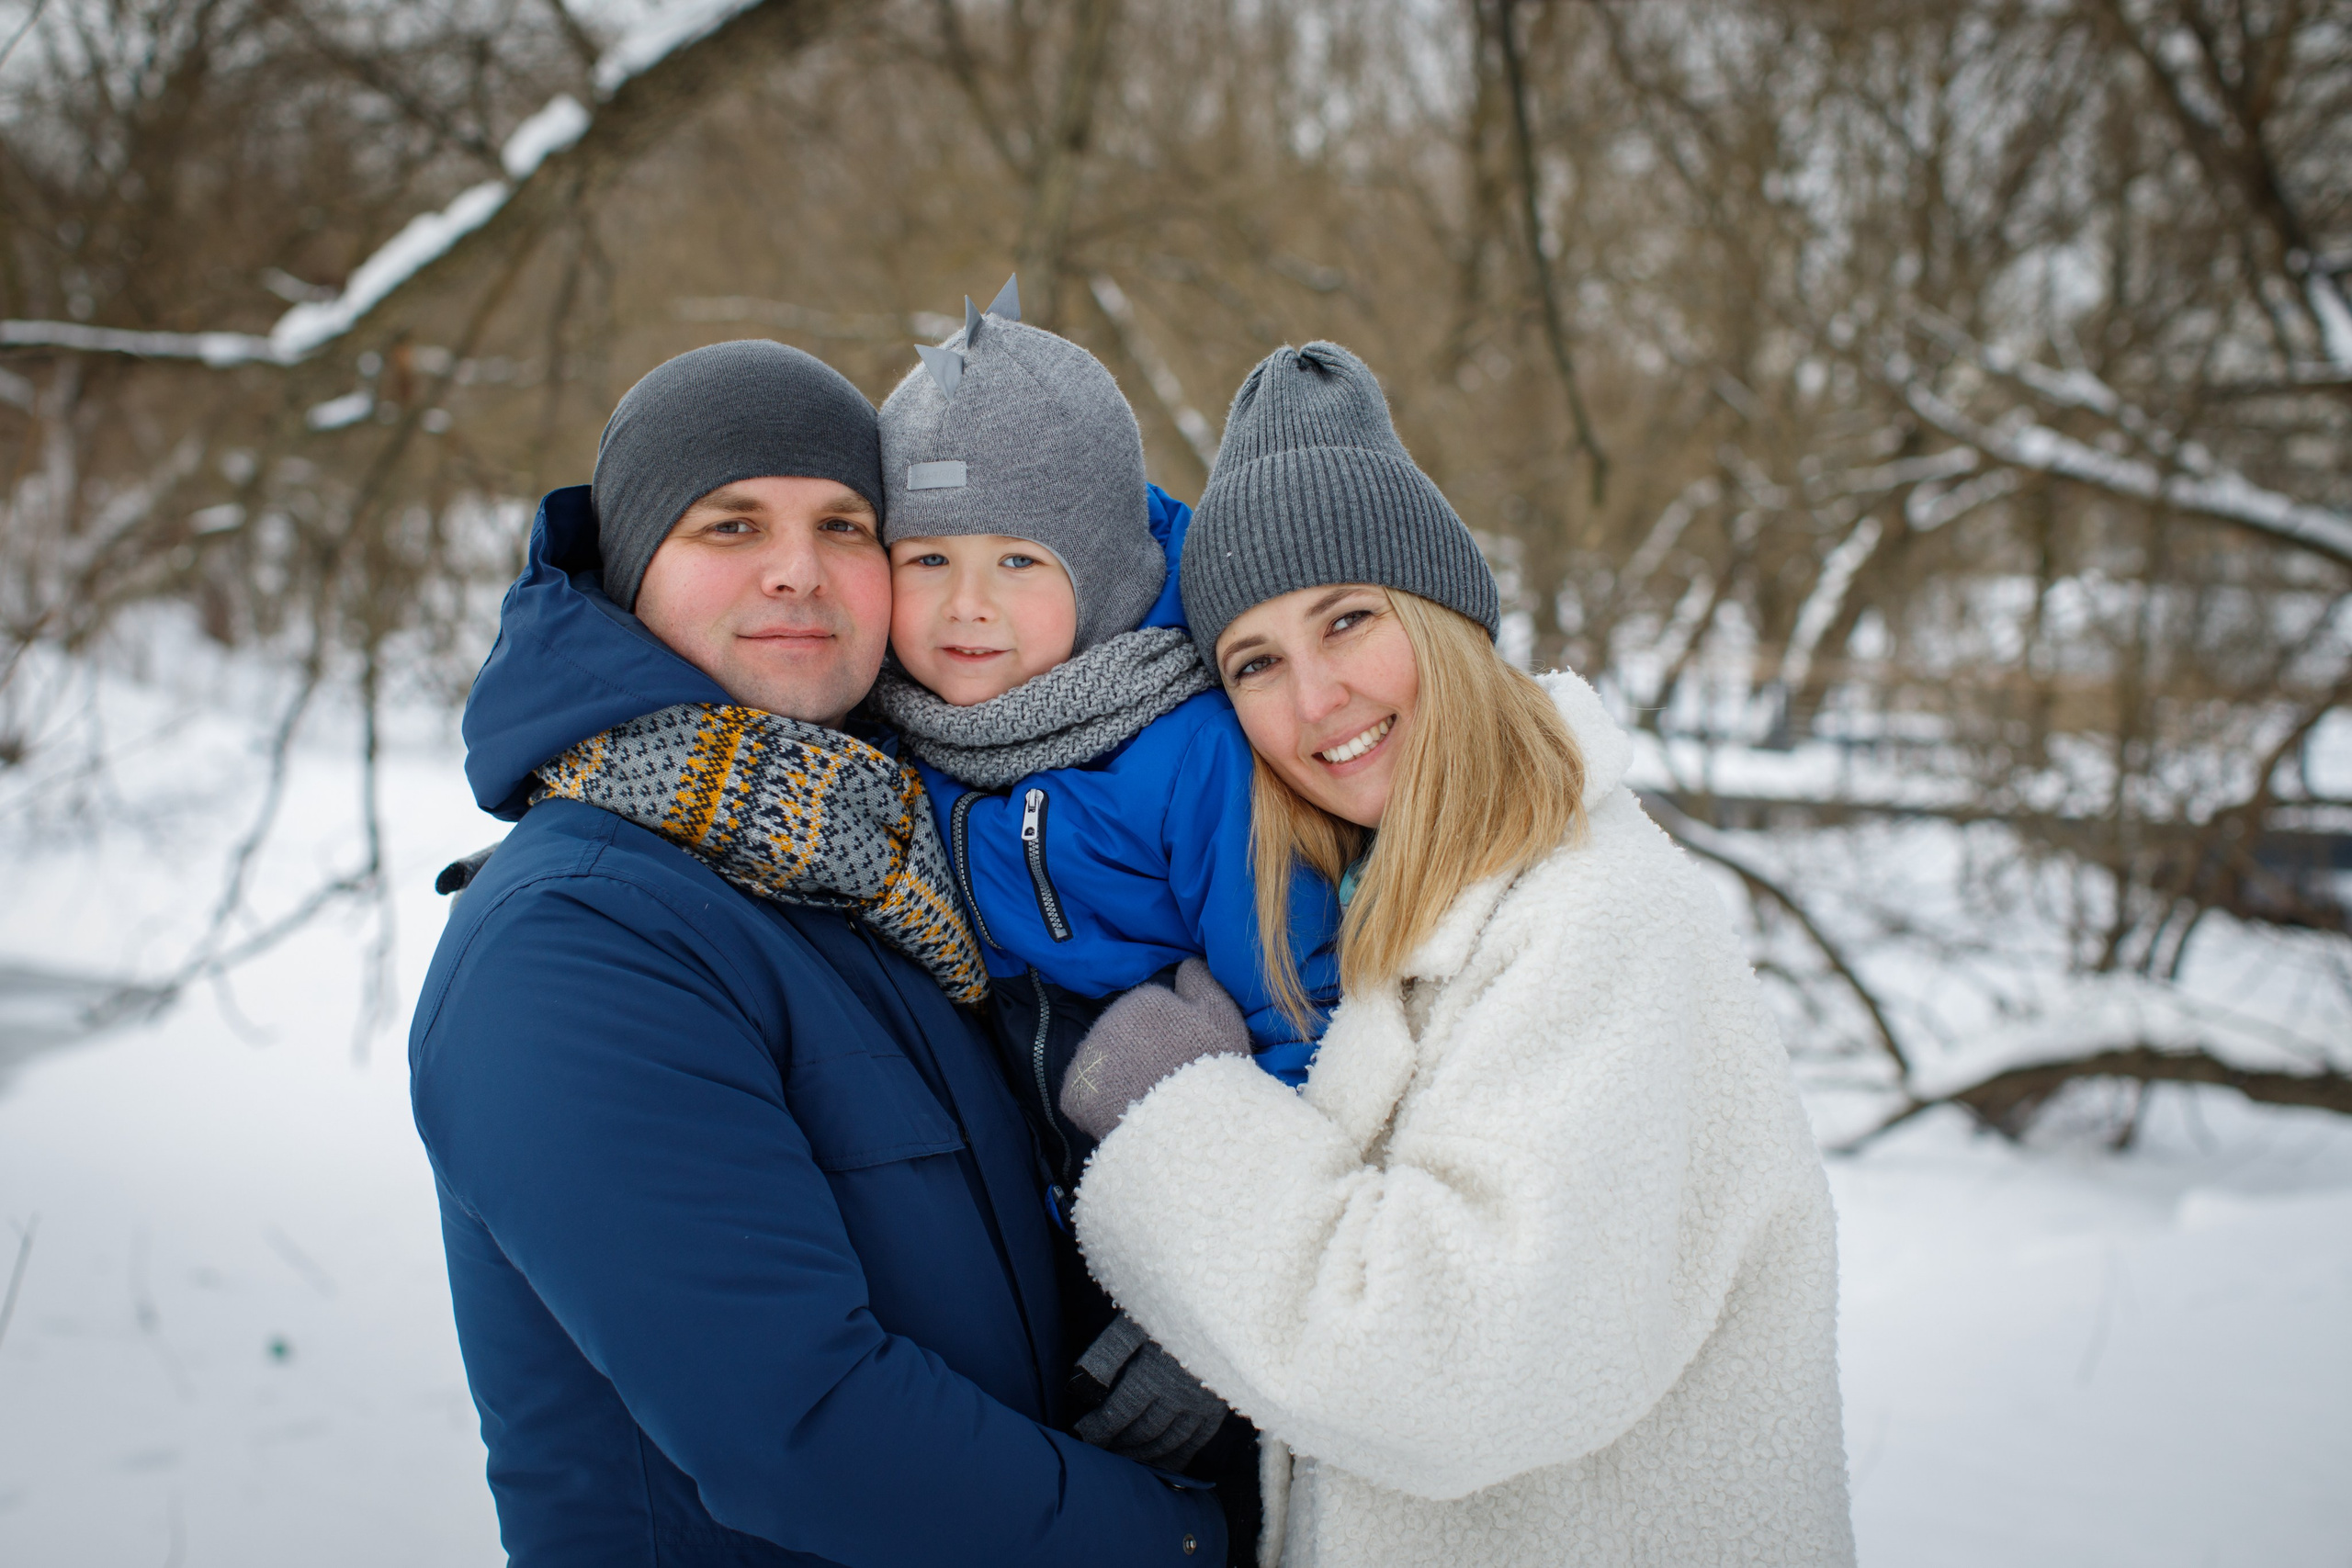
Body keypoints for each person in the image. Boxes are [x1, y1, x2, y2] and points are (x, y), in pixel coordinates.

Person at [408, 339, 1227, 1567]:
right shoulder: (576, 939)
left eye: (845, 527)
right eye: (730, 527)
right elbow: (802, 1430)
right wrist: (1206, 1543)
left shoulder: (892, 874)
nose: (797, 572)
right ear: (633, 571)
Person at [1058, 342, 1857, 1567]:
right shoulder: (1398, 904)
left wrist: (1176, 1110)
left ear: (1444, 619)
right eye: (1256, 663)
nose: (1316, 698)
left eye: (1349, 620)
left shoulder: (1592, 915)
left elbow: (1447, 1366)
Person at [862, 279, 1340, 1542]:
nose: (969, 605)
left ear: (1110, 568)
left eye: (1021, 562)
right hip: (1016, 1202)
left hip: (1188, 1194)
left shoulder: (1186, 752)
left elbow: (1306, 1020)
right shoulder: (898, 735)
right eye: (931, 561)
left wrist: (1211, 1316)